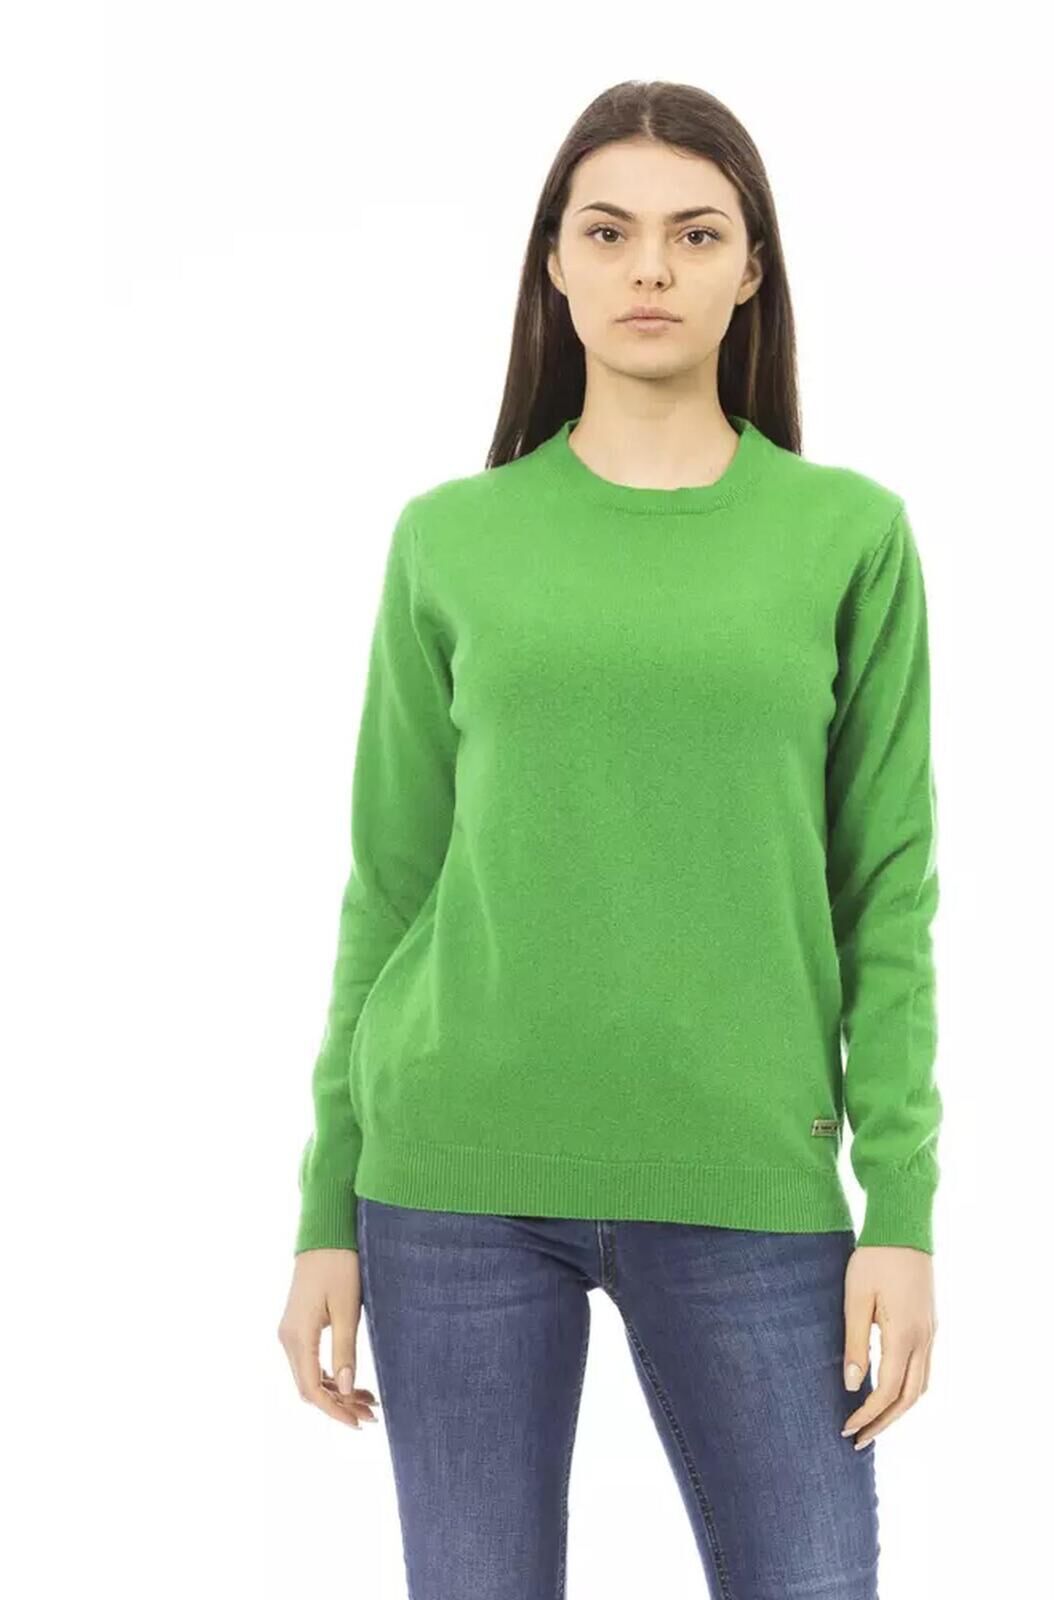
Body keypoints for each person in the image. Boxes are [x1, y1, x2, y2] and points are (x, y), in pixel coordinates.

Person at [278, 79, 942, 1600]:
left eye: (695, 234)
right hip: (452, 1173)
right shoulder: (451, 537)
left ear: (751, 269)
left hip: (748, 1174)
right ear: (555, 264)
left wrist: (901, 1209)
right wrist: (325, 1209)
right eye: (608, 231)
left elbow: (888, 886)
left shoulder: (847, 534)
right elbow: (390, 886)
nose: (651, 267)